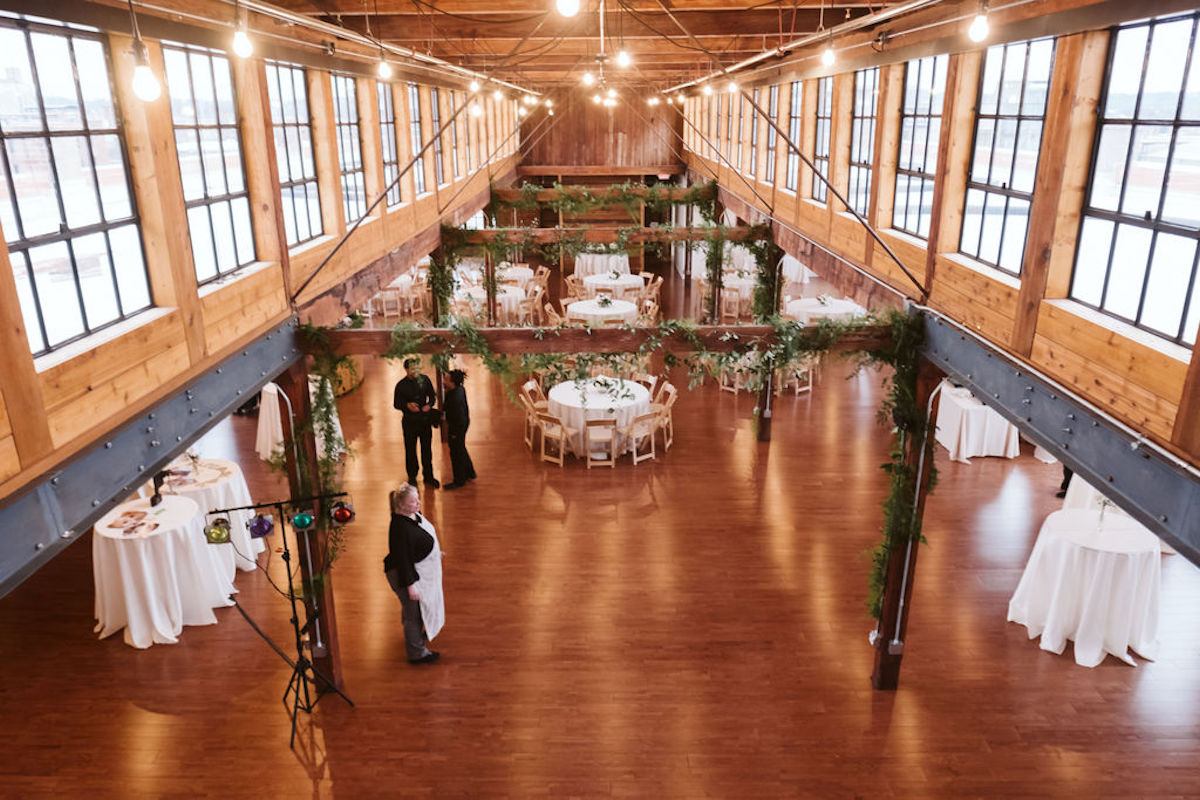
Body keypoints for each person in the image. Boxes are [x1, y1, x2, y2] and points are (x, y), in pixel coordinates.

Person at [383, 483, 445, 664]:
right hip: (402, 575)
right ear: (401, 506)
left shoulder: (410, 515)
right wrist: (410, 585)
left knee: (411, 610)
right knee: (413, 614)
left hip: (409, 570)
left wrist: (434, 554)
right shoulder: (400, 529)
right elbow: (403, 560)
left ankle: (414, 637)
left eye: (417, 499)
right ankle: (417, 653)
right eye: (413, 501)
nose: (418, 503)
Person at [393, 358, 439, 488]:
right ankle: (412, 476)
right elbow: (396, 404)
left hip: (424, 420)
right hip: (409, 422)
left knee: (427, 449)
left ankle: (428, 476)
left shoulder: (425, 380)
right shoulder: (401, 385)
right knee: (410, 450)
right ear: (406, 370)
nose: (415, 371)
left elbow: (432, 397)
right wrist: (407, 405)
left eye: (417, 368)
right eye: (412, 369)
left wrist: (429, 405)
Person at [442, 369, 476, 490]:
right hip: (463, 424)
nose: (443, 381)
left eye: (446, 380)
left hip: (457, 427)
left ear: (453, 383)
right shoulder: (460, 389)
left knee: (456, 452)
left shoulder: (454, 398)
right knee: (460, 448)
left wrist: (454, 433)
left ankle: (459, 480)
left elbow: (456, 415)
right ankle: (470, 472)